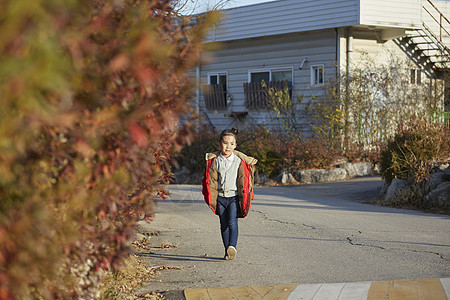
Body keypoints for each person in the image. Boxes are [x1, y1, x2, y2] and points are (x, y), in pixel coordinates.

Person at [202, 128, 257, 260]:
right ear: (219, 144)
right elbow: (211, 180)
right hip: (220, 198)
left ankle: (232, 246)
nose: (228, 146)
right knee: (223, 224)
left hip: (233, 197)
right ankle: (228, 251)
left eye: (231, 144)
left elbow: (245, 180)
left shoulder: (239, 161)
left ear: (235, 145)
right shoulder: (215, 161)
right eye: (225, 143)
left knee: (232, 222)